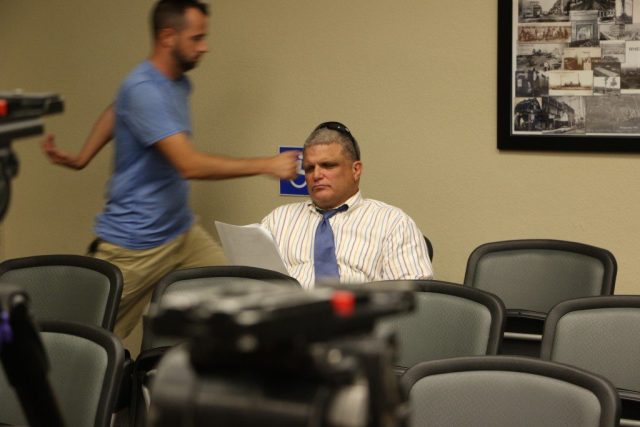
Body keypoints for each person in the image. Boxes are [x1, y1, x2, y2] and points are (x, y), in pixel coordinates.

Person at [42, 0, 299, 339]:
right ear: (167, 36)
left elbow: (117, 108)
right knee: (87, 340)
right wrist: (266, 164)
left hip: (181, 233)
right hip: (135, 245)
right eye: (197, 38)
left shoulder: (175, 83)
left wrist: (82, 156)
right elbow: (188, 165)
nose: (204, 46)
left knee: (240, 293)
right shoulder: (144, 89)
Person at [261, 122, 433, 289]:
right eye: (309, 168)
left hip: (361, 315)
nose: (317, 174)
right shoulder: (277, 221)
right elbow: (251, 284)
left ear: (356, 170)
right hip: (290, 314)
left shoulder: (393, 223)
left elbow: (415, 299)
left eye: (328, 165)